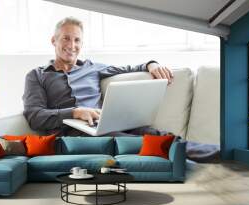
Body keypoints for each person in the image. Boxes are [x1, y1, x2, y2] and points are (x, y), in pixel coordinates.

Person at [23, 17, 173, 136]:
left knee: (157, 135)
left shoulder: (93, 68)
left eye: (77, 40)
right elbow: (34, 116)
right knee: (132, 141)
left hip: (103, 126)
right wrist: (76, 112)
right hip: (71, 135)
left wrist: (151, 64)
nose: (72, 45)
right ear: (53, 40)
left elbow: (129, 68)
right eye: (66, 38)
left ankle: (191, 156)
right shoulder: (36, 75)